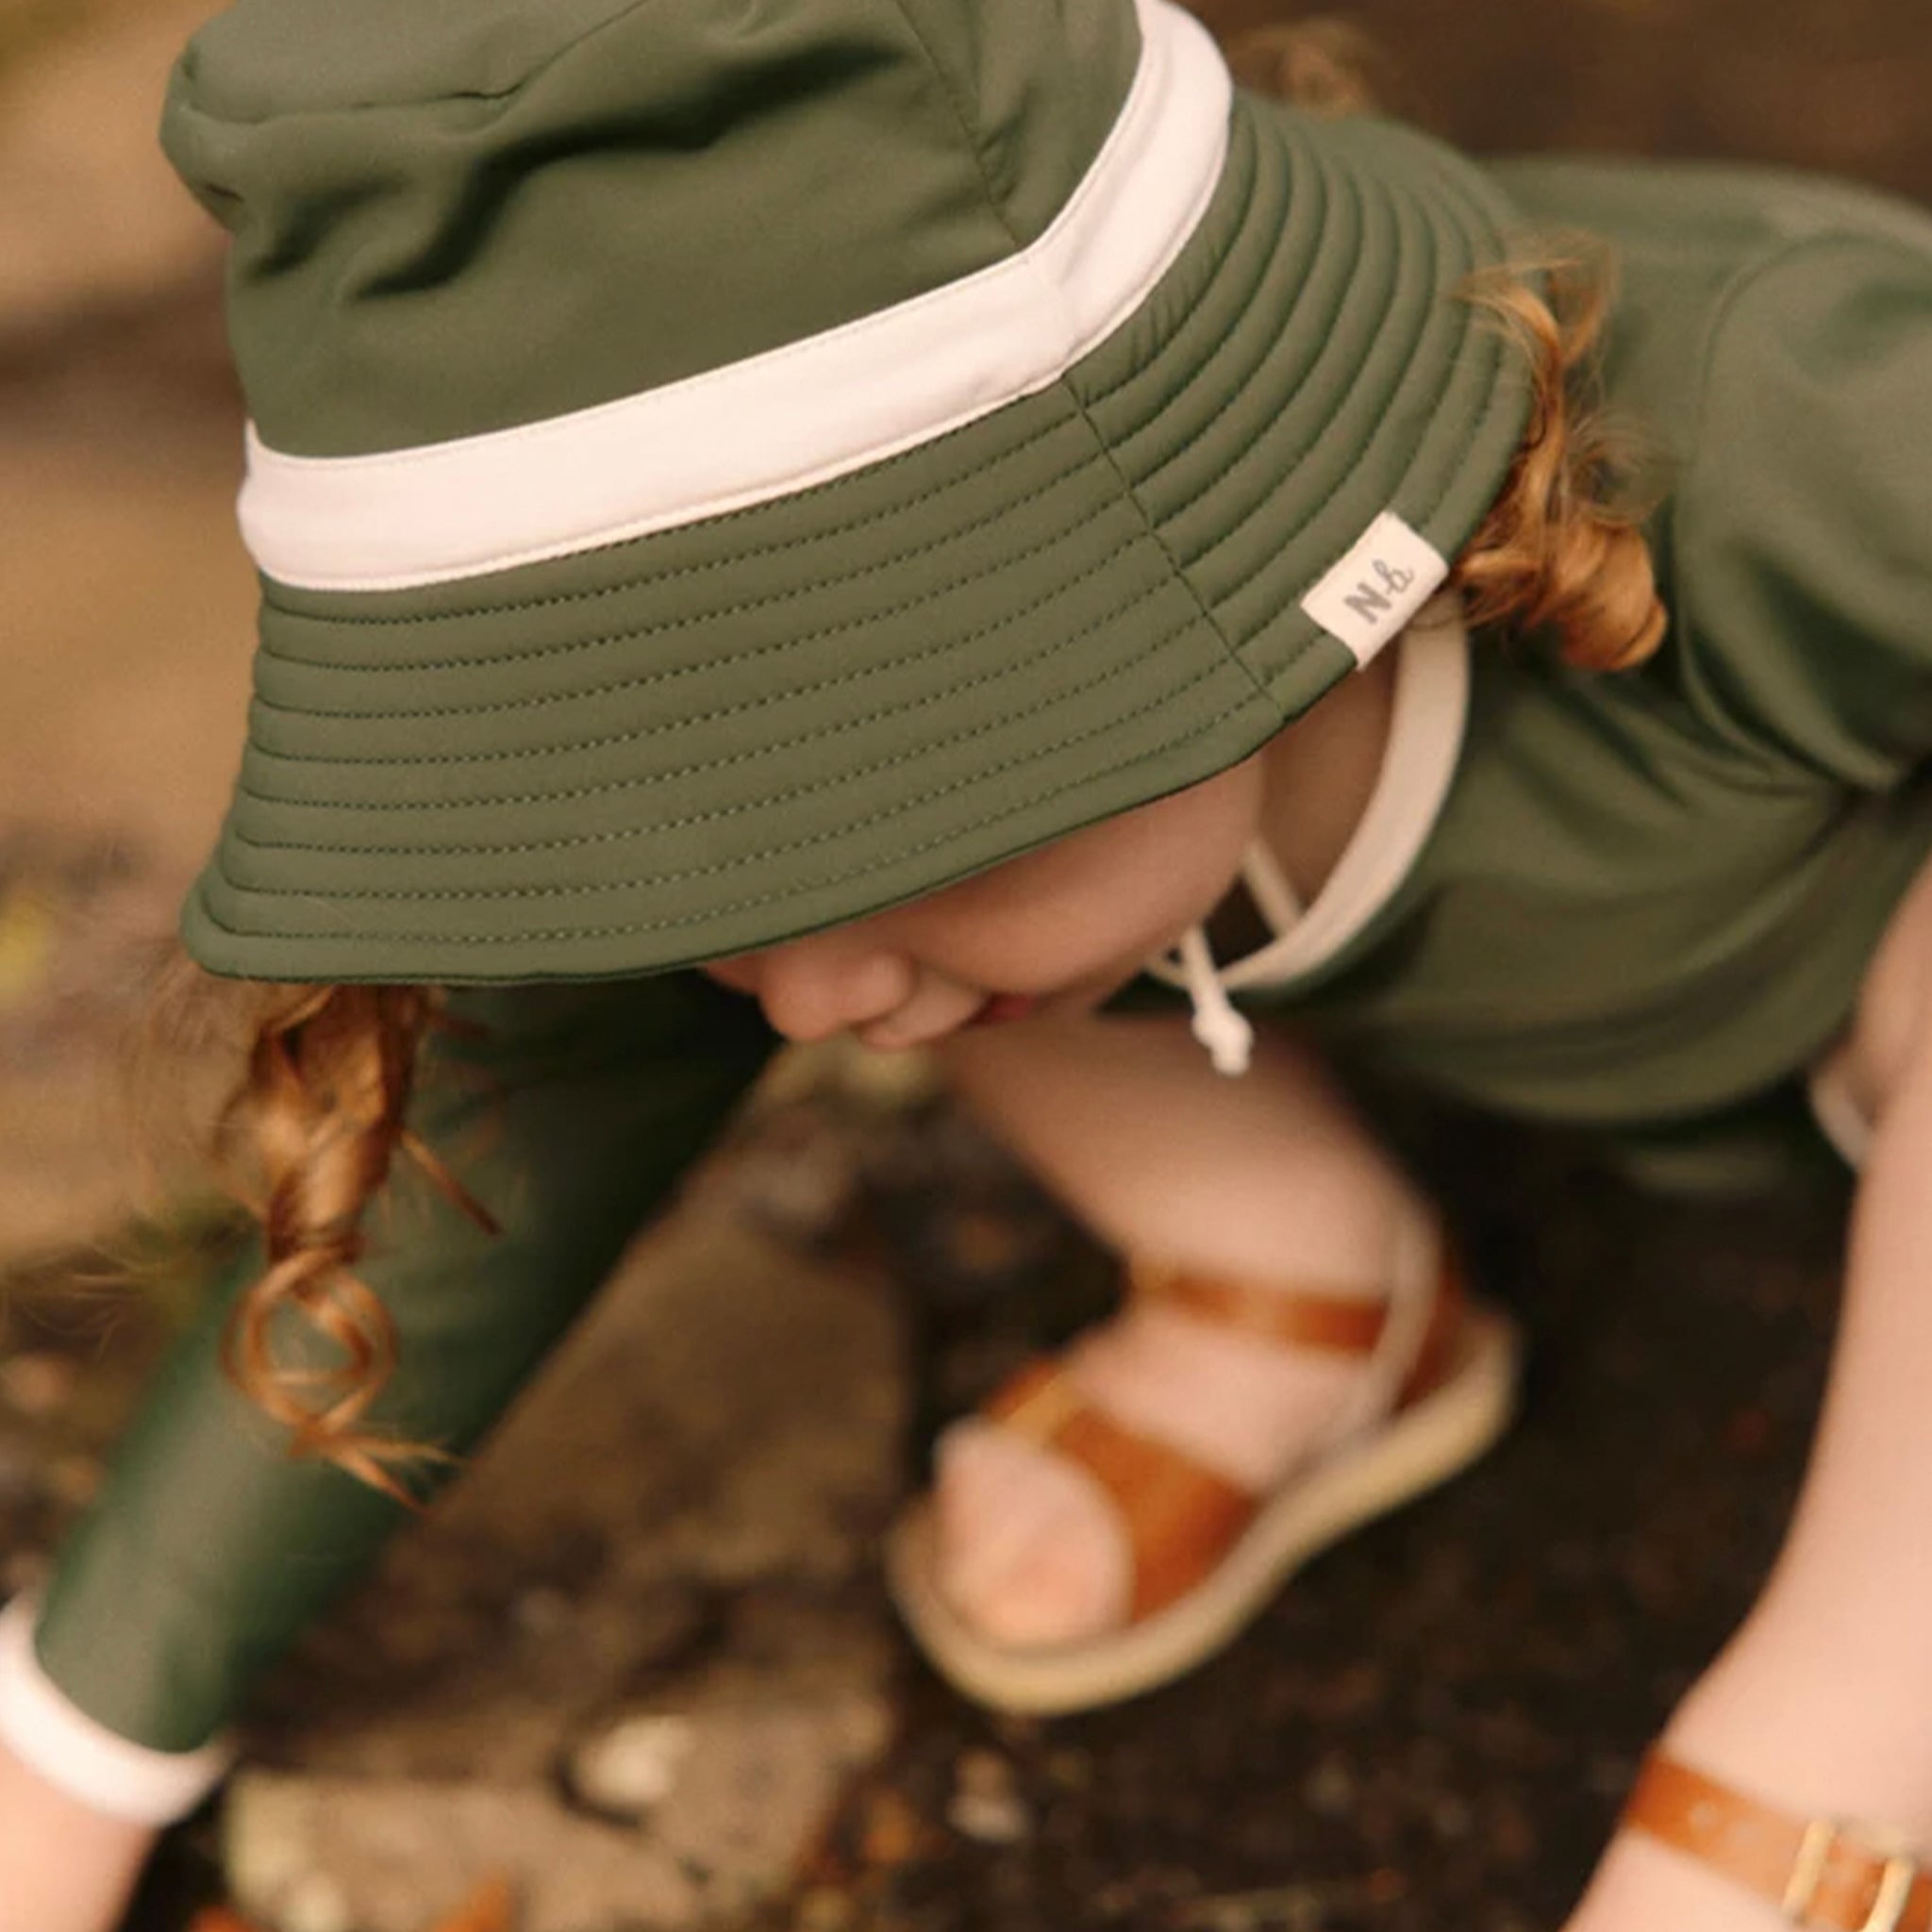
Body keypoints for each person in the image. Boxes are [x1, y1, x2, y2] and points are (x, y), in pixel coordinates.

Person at [3, 0, 1930, 1927]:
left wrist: (1821, 1748)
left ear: (1219, 499)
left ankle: (1839, 1740)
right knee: (864, 924)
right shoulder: (884, 919)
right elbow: (517, 1140)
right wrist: (72, 1737)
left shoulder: (1799, 418)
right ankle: (1308, 1287)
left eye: (911, 798)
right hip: (1500, 1016)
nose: (801, 994)